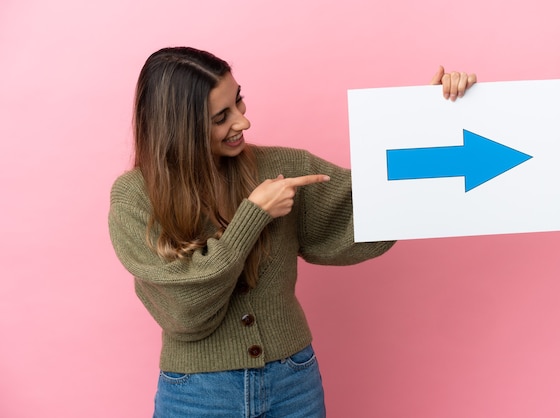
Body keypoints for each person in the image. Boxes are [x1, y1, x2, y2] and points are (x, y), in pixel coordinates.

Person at [108, 46, 477, 418]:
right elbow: (185, 311)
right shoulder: (135, 199)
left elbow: (371, 203)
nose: (242, 123)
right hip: (197, 395)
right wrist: (253, 216)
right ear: (180, 128)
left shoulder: (283, 166)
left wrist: (426, 121)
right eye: (222, 117)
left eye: (239, 103)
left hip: (293, 384)